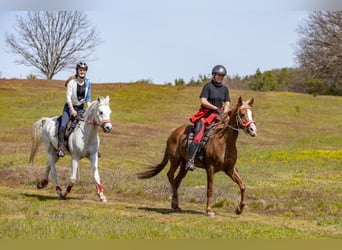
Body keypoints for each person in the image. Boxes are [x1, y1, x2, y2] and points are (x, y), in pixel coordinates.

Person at [186, 65, 231, 171]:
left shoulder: (225, 89)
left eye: (222, 76)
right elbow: (204, 101)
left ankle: (229, 160)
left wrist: (224, 112)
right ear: (214, 75)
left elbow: (227, 103)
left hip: (219, 116)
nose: (220, 77)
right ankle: (191, 160)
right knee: (198, 135)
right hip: (205, 115)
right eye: (218, 75)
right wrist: (216, 108)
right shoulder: (208, 86)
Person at [56, 62, 91, 157]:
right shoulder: (72, 83)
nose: (82, 71)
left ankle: (90, 148)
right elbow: (68, 99)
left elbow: (87, 98)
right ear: (77, 71)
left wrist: (90, 108)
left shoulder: (88, 83)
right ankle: (60, 148)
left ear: (86, 72)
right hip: (69, 108)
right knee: (63, 125)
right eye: (80, 70)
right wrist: (72, 110)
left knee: (88, 124)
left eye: (84, 70)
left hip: (80, 109)